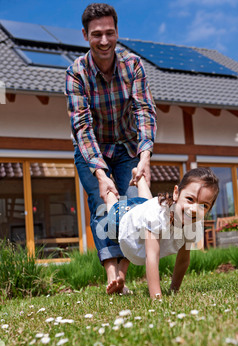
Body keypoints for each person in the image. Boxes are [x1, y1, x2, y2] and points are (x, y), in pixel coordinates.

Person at [65, 3, 157, 294]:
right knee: (104, 207)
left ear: (117, 32)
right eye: (96, 34)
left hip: (128, 148)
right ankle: (111, 274)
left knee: (133, 207)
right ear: (85, 35)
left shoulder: (133, 66)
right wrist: (102, 176)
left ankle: (123, 276)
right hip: (92, 151)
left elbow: (144, 110)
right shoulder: (76, 73)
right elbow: (82, 126)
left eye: (109, 33)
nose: (104, 41)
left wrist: (145, 157)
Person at [105, 167, 219, 298]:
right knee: (113, 213)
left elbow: (183, 260)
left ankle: (139, 178)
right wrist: (157, 297)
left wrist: (173, 290)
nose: (194, 209)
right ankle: (110, 192)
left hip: (142, 212)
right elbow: (152, 257)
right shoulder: (157, 215)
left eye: (203, 206)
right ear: (176, 193)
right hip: (124, 221)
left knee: (146, 204)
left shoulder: (192, 225)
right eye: (190, 199)